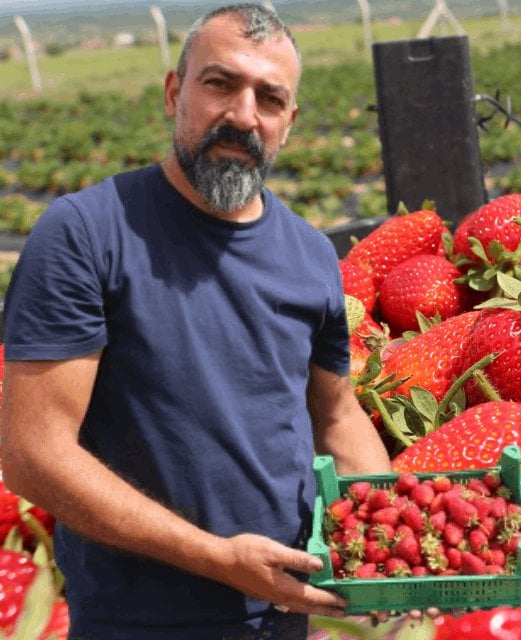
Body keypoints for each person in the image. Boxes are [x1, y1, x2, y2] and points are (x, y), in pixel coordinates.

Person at [0, 4, 394, 638]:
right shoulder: (85, 234)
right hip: (137, 625)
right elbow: (32, 454)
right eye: (220, 83)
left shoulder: (312, 255)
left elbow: (337, 417)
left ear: (288, 123)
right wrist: (219, 561)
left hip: (287, 614)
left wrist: (393, 539)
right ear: (174, 91)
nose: (243, 114)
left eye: (269, 98)